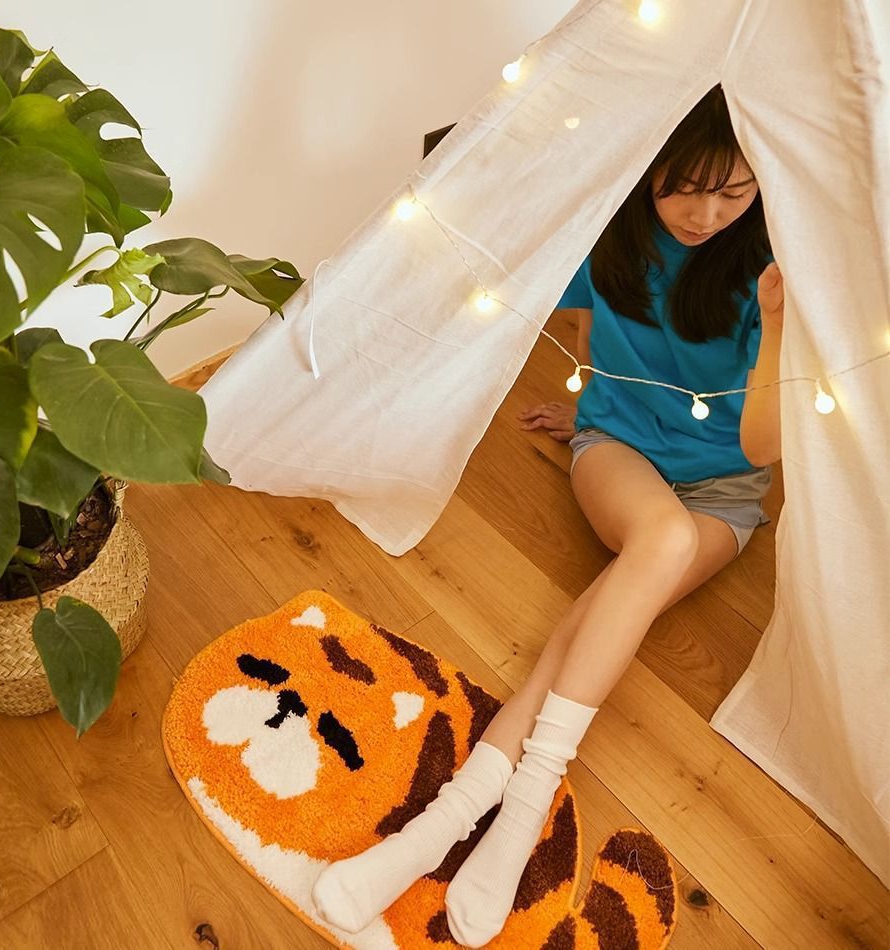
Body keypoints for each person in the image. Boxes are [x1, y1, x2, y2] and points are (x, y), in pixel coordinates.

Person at [311, 83, 784, 947]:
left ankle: (452, 818)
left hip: (724, 493)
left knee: (619, 593)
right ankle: (526, 800)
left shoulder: (768, 267)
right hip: (619, 452)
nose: (706, 214)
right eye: (684, 186)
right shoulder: (612, 230)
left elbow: (762, 447)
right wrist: (604, 401)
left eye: (733, 191)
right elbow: (492, 246)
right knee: (659, 540)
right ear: (650, 165)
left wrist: (784, 324)